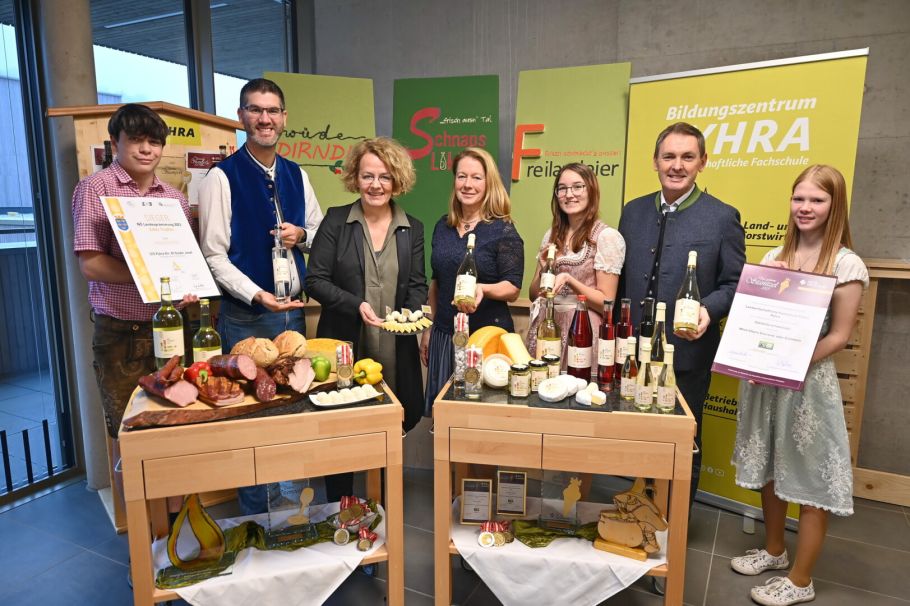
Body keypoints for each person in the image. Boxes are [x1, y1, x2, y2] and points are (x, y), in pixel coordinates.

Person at [730, 165, 867, 606]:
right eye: (799, 198)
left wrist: (790, 362)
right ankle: (774, 550)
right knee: (771, 471)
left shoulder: (846, 263)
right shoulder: (775, 257)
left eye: (817, 200)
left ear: (835, 206)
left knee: (809, 481)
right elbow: (755, 321)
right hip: (766, 382)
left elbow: (839, 336)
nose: (805, 208)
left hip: (807, 386)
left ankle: (801, 580)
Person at [198, 77, 323, 514]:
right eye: (255, 110)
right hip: (247, 318)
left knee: (294, 412)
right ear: (241, 117)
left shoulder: (297, 174)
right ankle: (257, 519)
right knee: (251, 421)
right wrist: (256, 295)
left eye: (272, 111)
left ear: (284, 118)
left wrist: (302, 234)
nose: (264, 118)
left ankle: (295, 514)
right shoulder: (221, 178)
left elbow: (319, 233)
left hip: (293, 316)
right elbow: (213, 255)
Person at [72, 103, 197, 518]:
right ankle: (143, 534)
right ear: (115, 142)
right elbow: (91, 264)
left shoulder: (174, 200)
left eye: (154, 142)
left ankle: (176, 527)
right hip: (121, 332)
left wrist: (185, 287)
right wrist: (151, 278)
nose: (147, 150)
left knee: (178, 425)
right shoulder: (95, 189)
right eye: (137, 140)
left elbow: (182, 264)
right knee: (129, 432)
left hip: (170, 328)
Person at [618, 122, 746, 503]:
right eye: (669, 156)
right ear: (655, 161)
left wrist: (709, 309)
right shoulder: (632, 212)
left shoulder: (722, 217)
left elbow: (736, 284)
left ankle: (674, 525)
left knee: (683, 441)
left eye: (687, 157)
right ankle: (639, 510)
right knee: (637, 436)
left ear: (702, 162)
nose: (677, 165)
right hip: (633, 353)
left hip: (688, 355)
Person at [305, 137, 428, 440]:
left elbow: (417, 285)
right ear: (355, 178)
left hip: (395, 351)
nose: (376, 185)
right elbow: (315, 280)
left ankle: (389, 474)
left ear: (396, 181)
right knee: (345, 431)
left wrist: (408, 317)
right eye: (367, 176)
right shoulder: (335, 221)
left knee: (394, 427)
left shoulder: (413, 228)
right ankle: (346, 476)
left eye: (385, 177)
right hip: (346, 344)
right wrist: (355, 304)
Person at [421, 147, 524, 415]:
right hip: (446, 335)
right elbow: (437, 281)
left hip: (485, 339)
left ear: (489, 183)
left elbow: (513, 287)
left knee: (480, 419)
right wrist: (429, 327)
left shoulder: (503, 229)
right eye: (462, 176)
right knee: (444, 417)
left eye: (477, 177)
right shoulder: (442, 227)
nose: (468, 184)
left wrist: (483, 288)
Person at [526, 162, 625, 368]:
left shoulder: (606, 237)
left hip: (582, 330)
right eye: (562, 188)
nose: (569, 194)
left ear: (591, 190)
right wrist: (544, 269)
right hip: (548, 328)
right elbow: (534, 295)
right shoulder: (551, 235)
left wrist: (569, 280)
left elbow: (606, 302)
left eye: (577, 187)